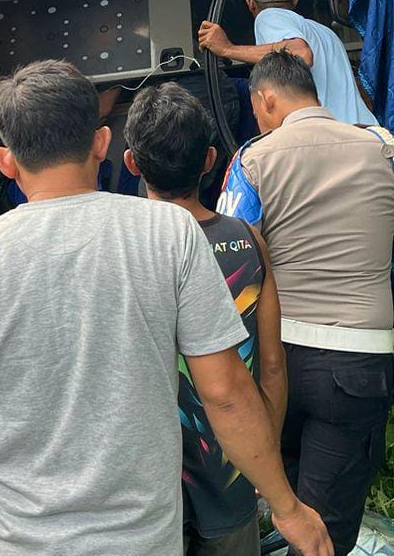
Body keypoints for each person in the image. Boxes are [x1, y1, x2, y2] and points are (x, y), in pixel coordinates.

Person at [0, 60, 331, 556]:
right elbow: (226, 394)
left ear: (6, 162)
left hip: (13, 543)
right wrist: (287, 507)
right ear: (101, 143)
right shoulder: (169, 235)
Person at [218, 51, 394, 555]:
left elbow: (229, 259)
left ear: (265, 98)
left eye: (258, 112)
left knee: (287, 506)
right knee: (326, 532)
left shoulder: (251, 160)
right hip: (359, 368)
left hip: (275, 363)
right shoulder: (386, 150)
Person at [123, 83, 287, 556]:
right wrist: (264, 460)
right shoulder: (248, 240)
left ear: (132, 163)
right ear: (211, 160)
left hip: (145, 483)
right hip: (232, 469)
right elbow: (272, 366)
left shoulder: (119, 248)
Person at [196, 0, 378, 126]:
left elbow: (301, 54)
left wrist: (228, 49)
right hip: (365, 135)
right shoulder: (325, 33)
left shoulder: (269, 16)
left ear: (250, 3)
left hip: (335, 141)